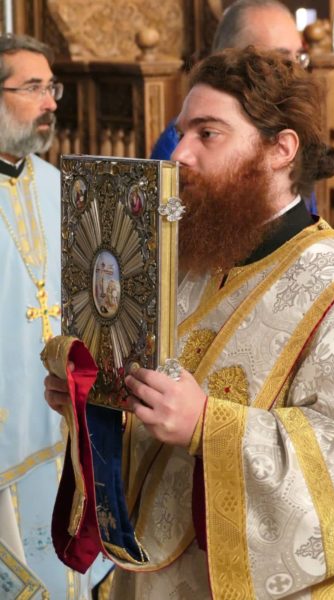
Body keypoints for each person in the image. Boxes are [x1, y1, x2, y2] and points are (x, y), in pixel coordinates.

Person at [44, 47, 334, 599]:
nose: (179, 153)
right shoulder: (188, 260)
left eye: (207, 134)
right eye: (182, 132)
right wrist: (94, 399)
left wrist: (209, 426)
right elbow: (149, 419)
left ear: (281, 149)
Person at [0, 33, 110, 598]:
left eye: (52, 88)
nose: (50, 103)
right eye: (33, 88)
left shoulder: (63, 187)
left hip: (61, 423)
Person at [151, 0, 317, 214]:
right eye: (280, 59)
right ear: (233, 60)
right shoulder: (174, 145)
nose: (296, 70)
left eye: (299, 57)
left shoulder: (286, 133)